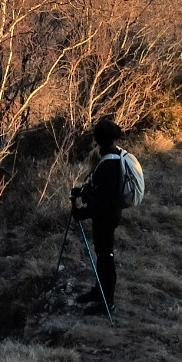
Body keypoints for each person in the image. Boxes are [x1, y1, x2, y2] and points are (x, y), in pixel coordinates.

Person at [71, 119, 126, 315]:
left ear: (98, 138)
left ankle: (107, 302)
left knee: (105, 255)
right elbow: (102, 192)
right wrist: (83, 192)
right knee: (102, 253)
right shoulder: (114, 155)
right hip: (108, 214)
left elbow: (104, 200)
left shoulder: (108, 163)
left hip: (106, 216)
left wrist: (82, 213)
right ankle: (99, 291)